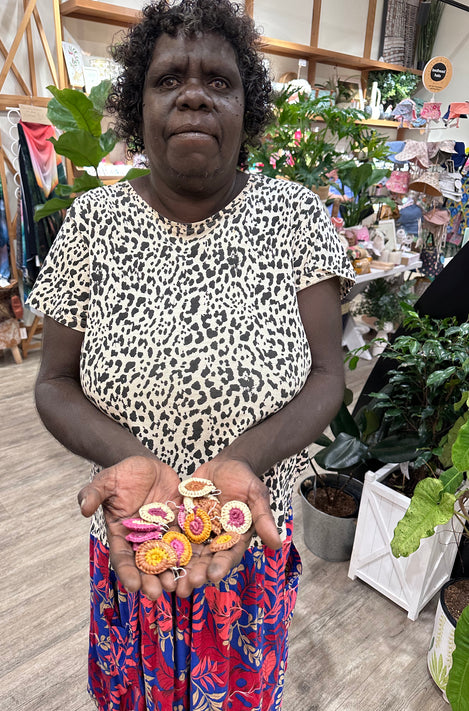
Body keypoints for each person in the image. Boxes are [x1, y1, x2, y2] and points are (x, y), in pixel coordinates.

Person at [29, 1, 355, 709]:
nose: (194, 93)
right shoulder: (93, 223)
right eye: (168, 77)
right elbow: (53, 382)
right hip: (134, 530)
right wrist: (125, 459)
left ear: (249, 108)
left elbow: (329, 375)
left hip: (244, 535)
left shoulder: (295, 218)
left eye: (219, 80)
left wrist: (243, 460)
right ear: (134, 104)